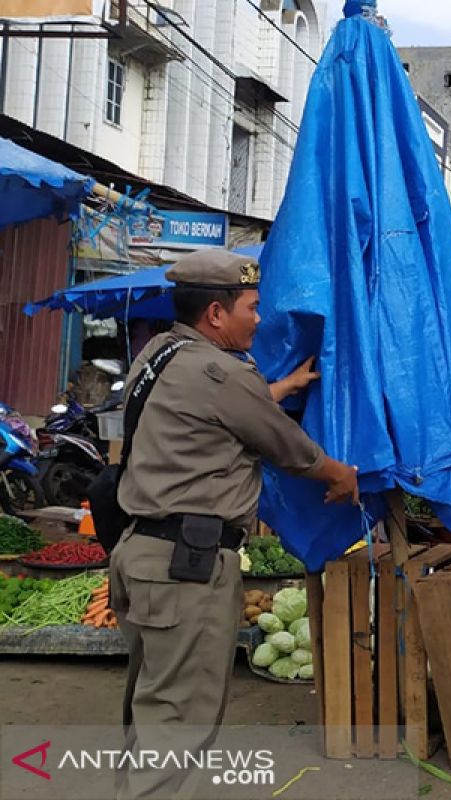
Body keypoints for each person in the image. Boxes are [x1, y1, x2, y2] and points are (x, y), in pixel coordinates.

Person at [109, 249, 359, 799]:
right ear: (217, 315)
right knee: (179, 724)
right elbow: (288, 448)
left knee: (153, 713)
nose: (261, 318)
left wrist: (282, 388)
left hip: (144, 558)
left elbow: (217, 411)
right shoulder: (221, 371)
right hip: (187, 569)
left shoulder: (162, 352)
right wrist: (341, 473)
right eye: (253, 306)